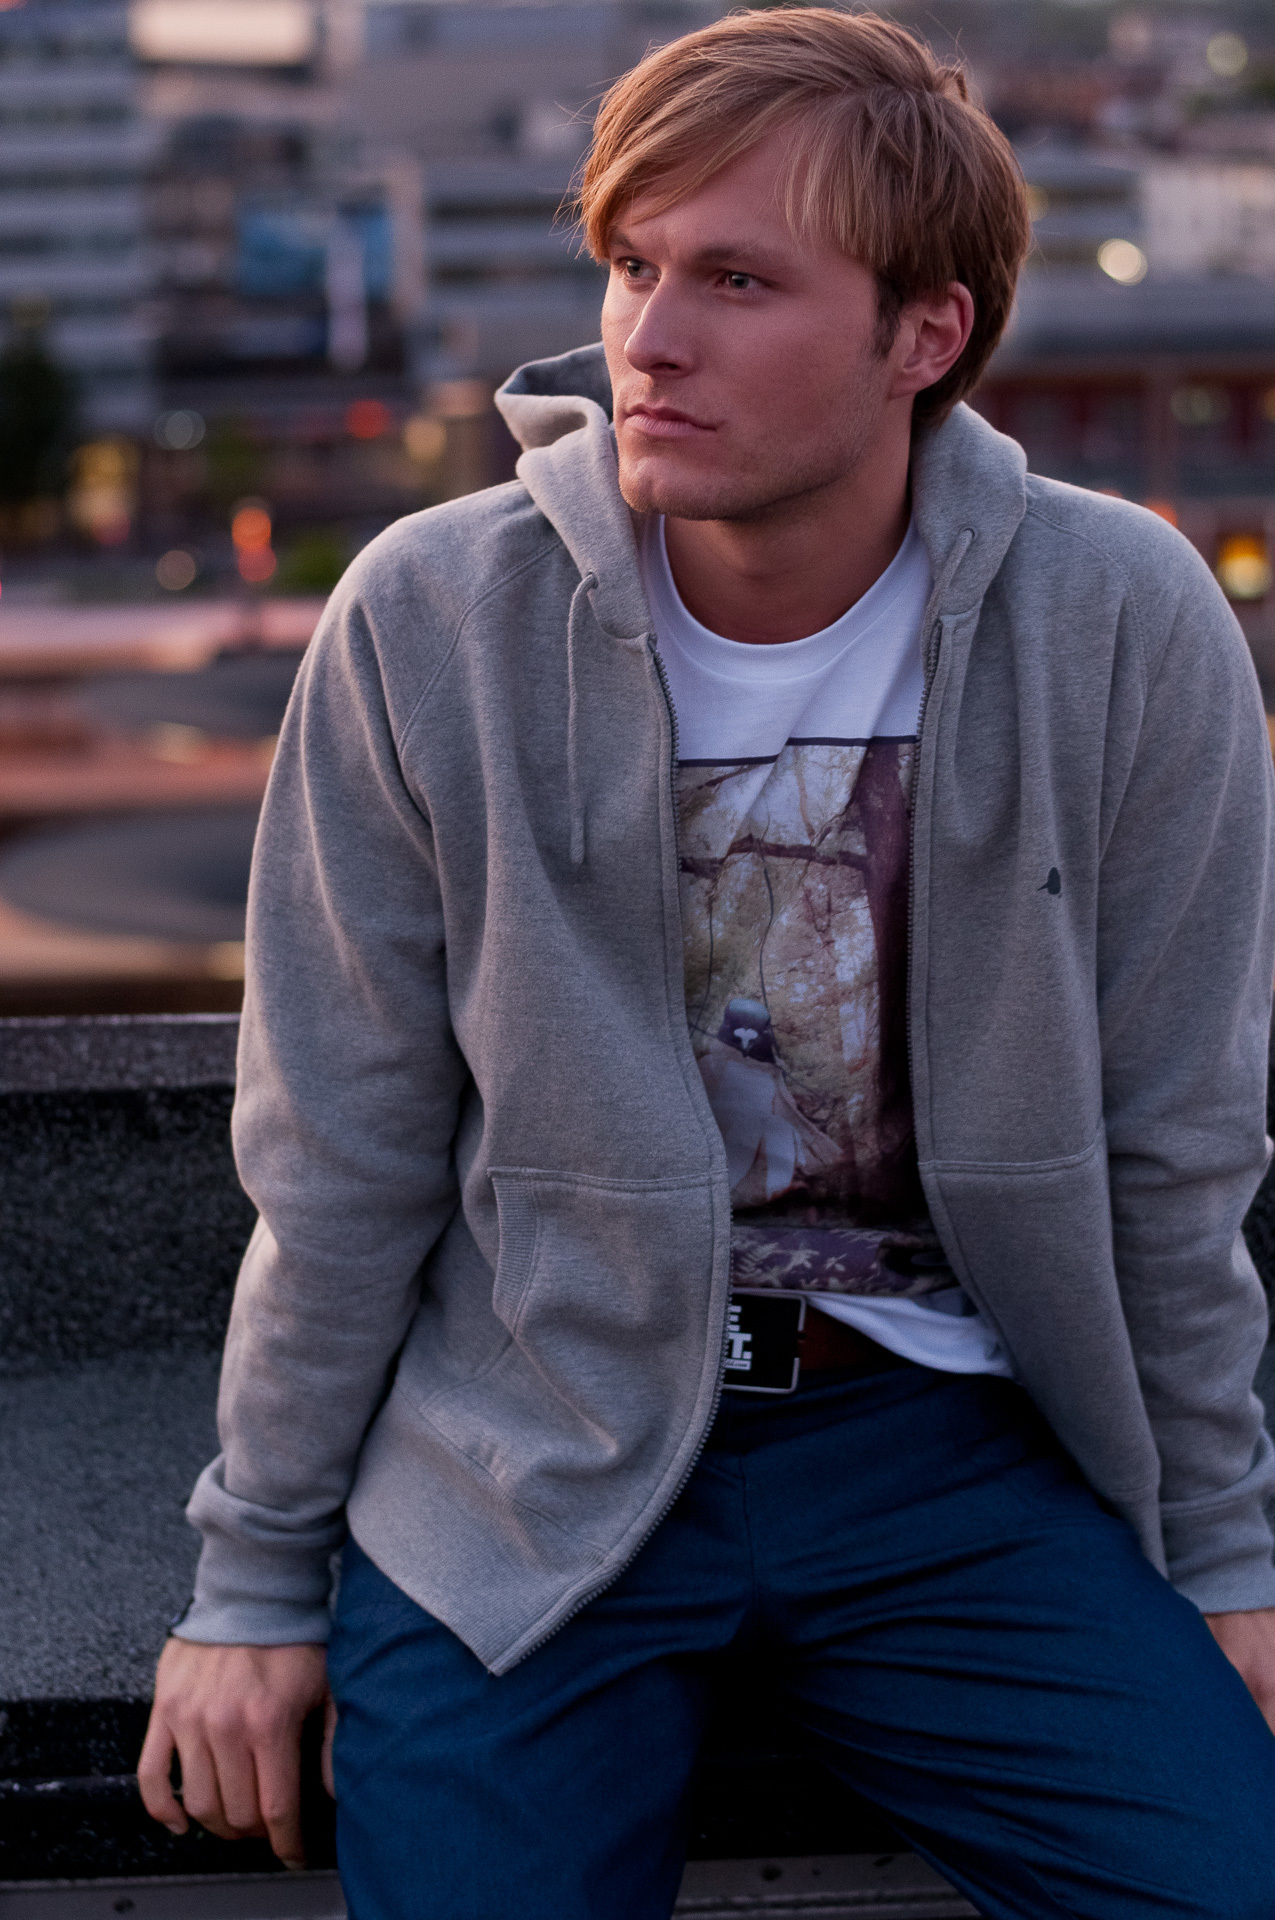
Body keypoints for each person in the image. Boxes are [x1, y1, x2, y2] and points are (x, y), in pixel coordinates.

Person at [139, 11, 1275, 1916]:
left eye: (738, 281)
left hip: (948, 1448)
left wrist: (1226, 1555)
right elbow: (337, 1151)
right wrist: (251, 1576)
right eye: (632, 265)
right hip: (529, 1447)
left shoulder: (1122, 619)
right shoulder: (433, 617)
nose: (647, 341)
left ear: (925, 334)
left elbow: (1180, 1140)